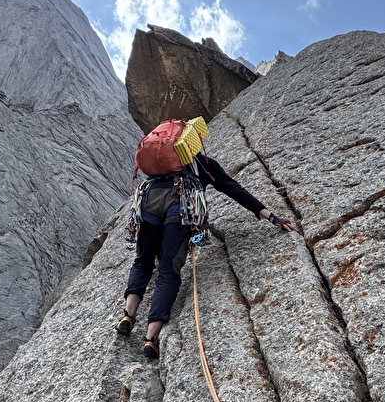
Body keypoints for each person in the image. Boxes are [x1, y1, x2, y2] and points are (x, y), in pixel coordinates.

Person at [116, 141, 299, 360]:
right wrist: (270, 216)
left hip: (148, 202)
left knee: (143, 262)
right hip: (179, 205)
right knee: (168, 271)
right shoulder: (204, 163)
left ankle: (128, 316)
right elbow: (233, 189)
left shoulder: (161, 166)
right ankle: (150, 338)